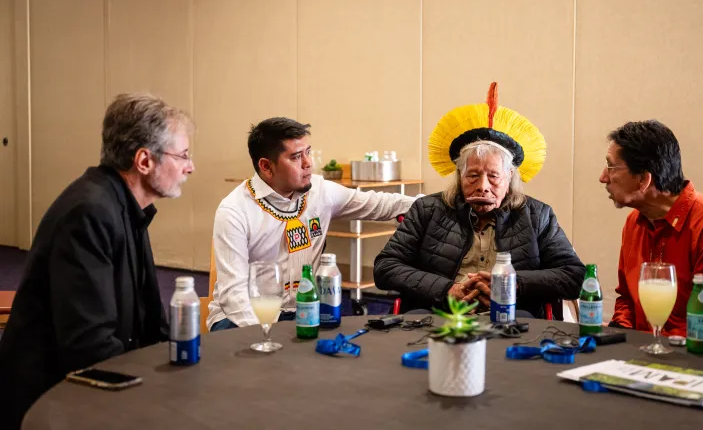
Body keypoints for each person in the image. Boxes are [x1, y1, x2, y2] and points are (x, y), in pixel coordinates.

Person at [0, 94, 194, 428]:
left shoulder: (124, 204)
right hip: (50, 401)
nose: (190, 167)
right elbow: (88, 344)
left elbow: (149, 322)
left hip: (90, 384)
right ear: (144, 161)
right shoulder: (89, 212)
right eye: (183, 156)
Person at [374, 83, 585, 317]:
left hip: (511, 316)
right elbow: (386, 267)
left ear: (510, 177)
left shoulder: (538, 215)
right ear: (459, 176)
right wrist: (447, 289)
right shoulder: (427, 210)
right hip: (442, 314)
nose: (483, 186)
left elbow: (574, 276)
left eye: (493, 176)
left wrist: (512, 284)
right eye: (473, 176)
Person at [207, 117, 417, 331]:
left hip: (303, 311)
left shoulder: (320, 191)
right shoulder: (234, 211)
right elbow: (234, 296)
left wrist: (440, 202)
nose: (308, 164)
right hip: (244, 316)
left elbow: (382, 204)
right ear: (266, 166)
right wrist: (267, 337)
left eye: (308, 152)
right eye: (296, 157)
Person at [602, 120, 703, 358]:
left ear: (644, 179)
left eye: (611, 168)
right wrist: (619, 334)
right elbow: (627, 298)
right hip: (649, 348)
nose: (603, 177)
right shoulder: (635, 222)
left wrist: (661, 352)